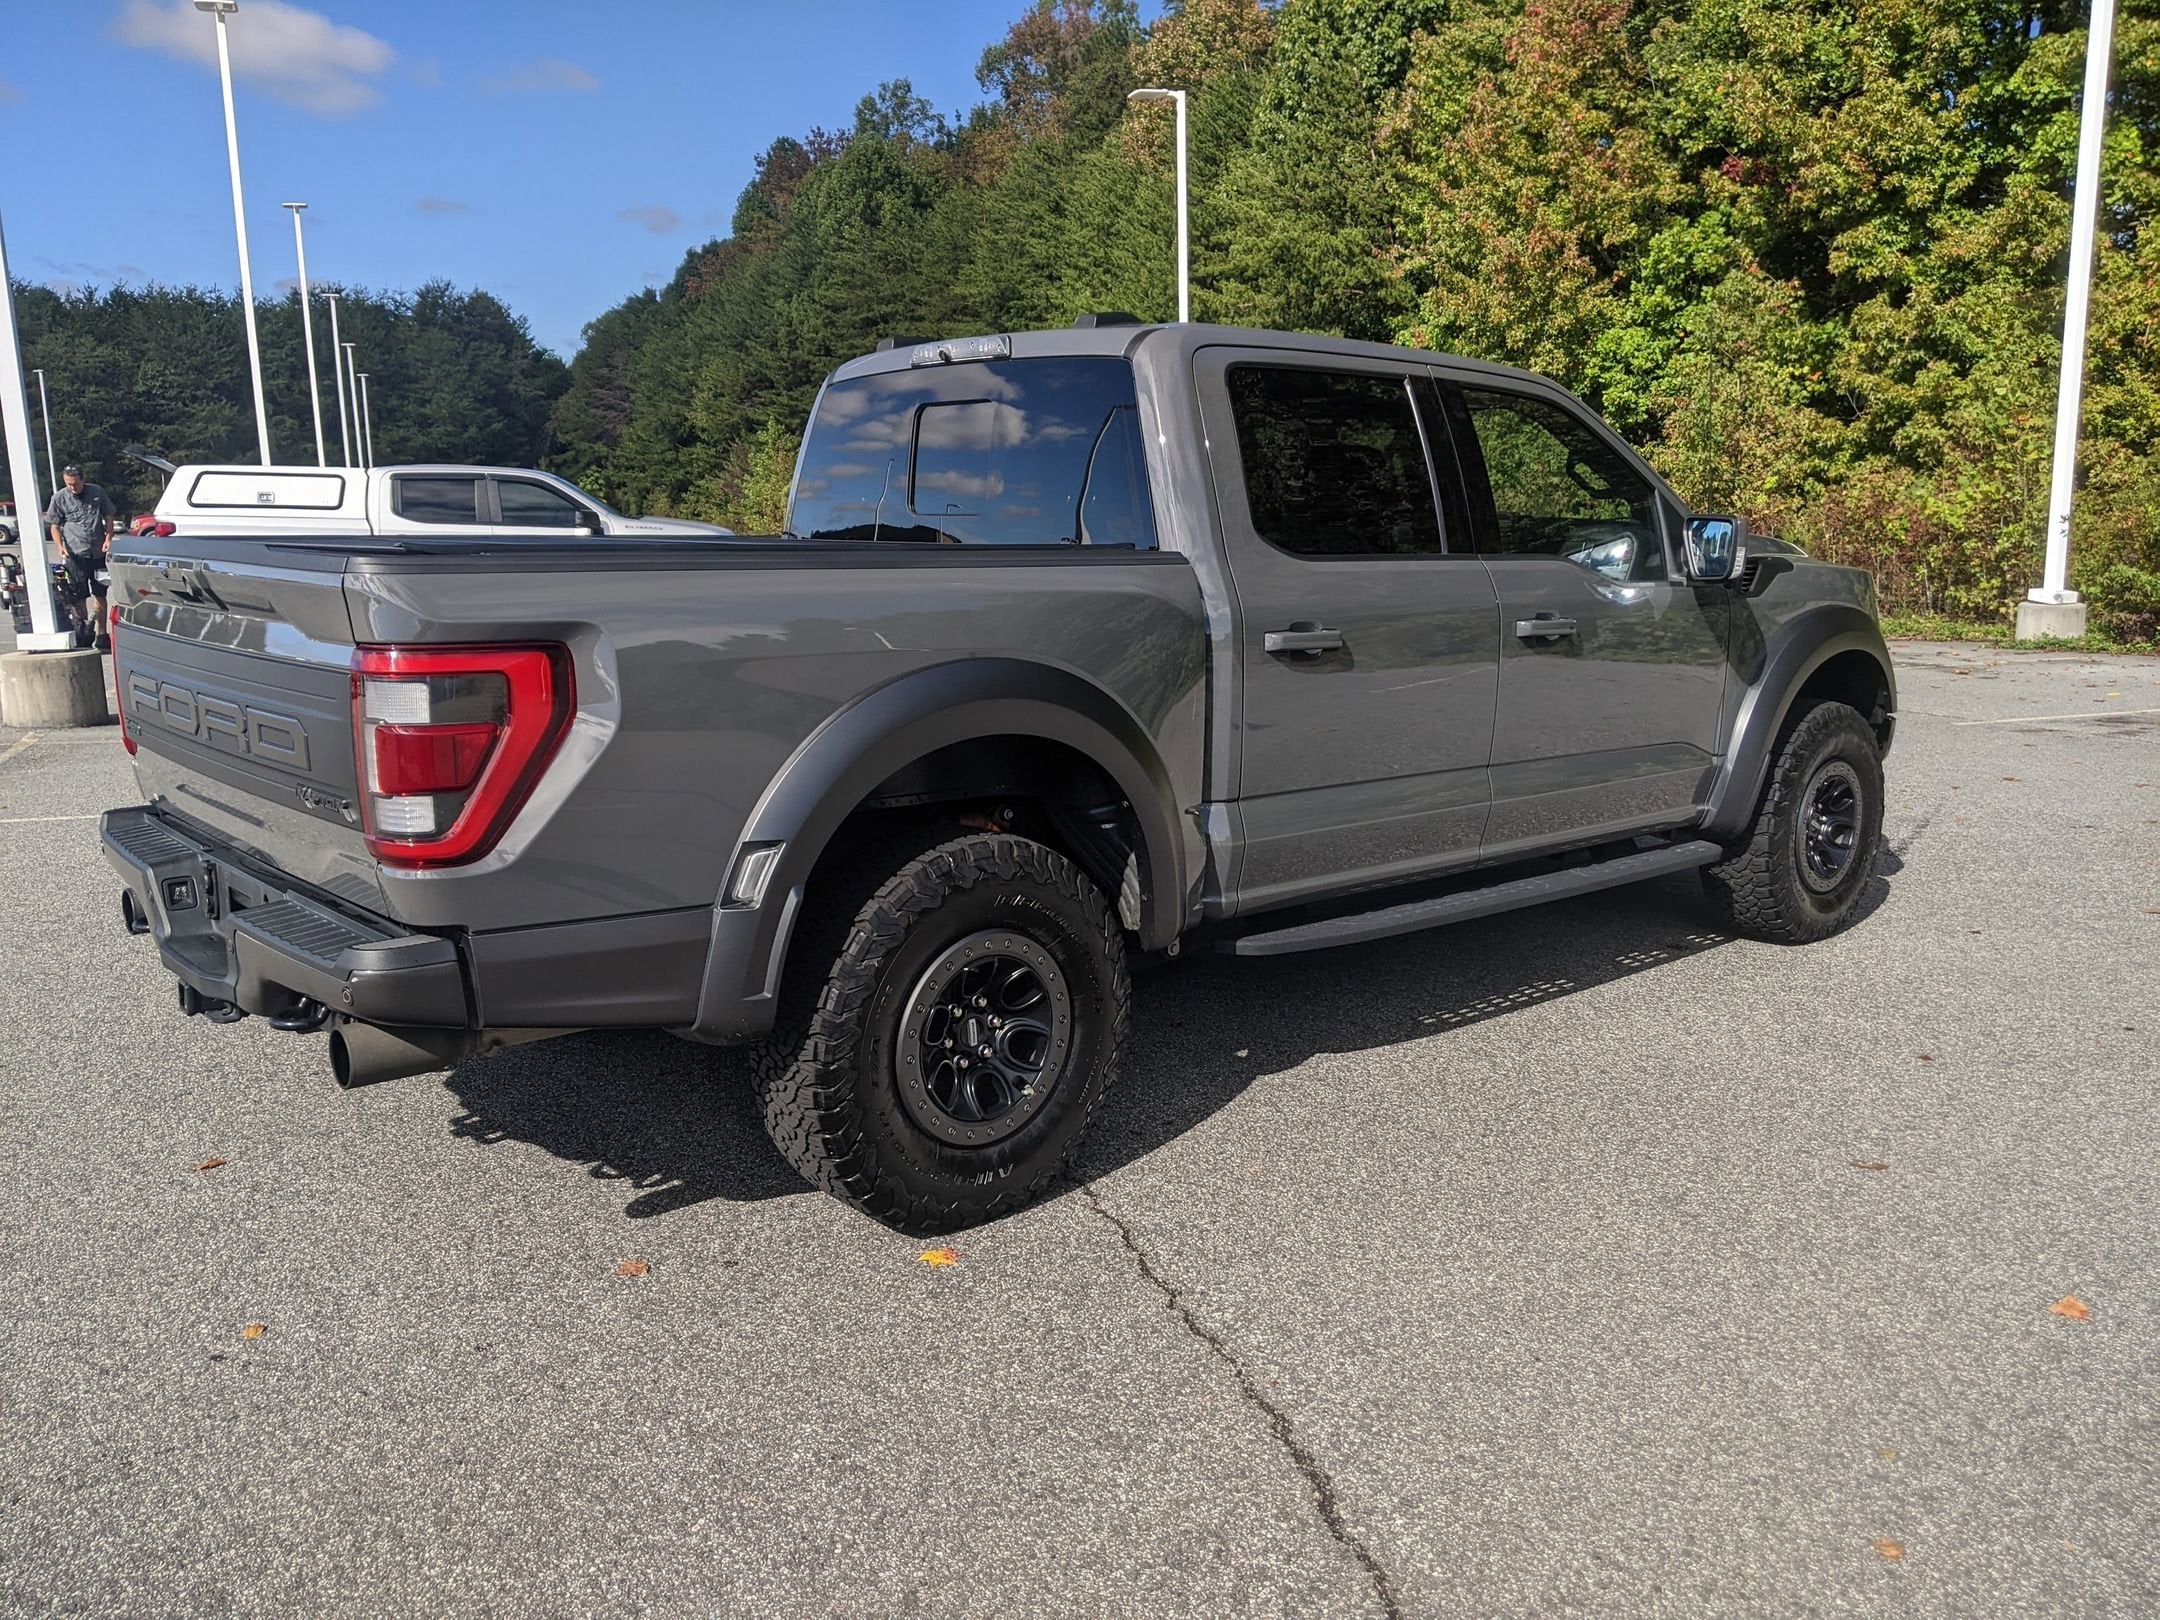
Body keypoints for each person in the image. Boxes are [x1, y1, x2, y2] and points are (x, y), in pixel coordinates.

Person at [43, 463, 114, 651]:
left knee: (100, 593)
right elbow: (55, 525)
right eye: (68, 484)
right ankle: (83, 632)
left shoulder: (97, 492)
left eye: (75, 483)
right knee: (79, 595)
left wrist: (109, 538)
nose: (72, 487)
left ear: (82, 479)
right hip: (75, 554)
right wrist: (59, 547)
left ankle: (101, 634)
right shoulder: (59, 498)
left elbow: (108, 516)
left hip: (98, 552)